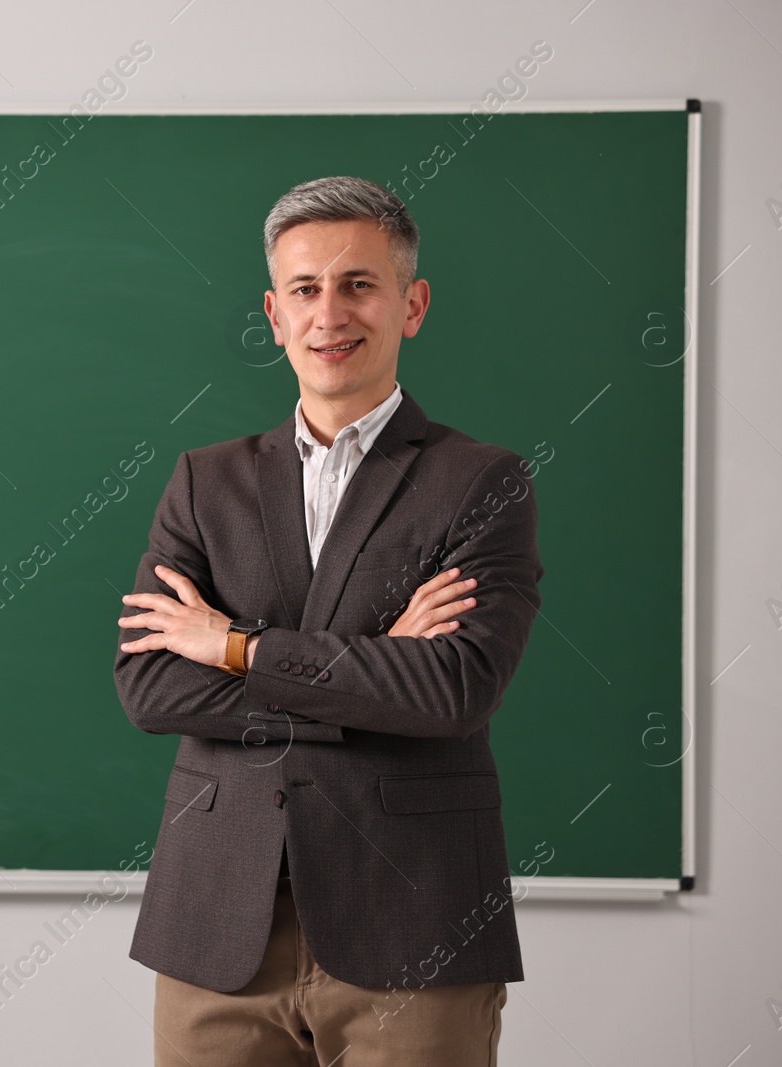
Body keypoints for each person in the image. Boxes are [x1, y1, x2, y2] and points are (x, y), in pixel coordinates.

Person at [114, 176, 544, 1066]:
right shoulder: (205, 481)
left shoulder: (483, 481)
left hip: (414, 919)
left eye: (360, 284)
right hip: (216, 926)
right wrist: (377, 668)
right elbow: (152, 684)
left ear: (411, 304)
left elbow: (453, 690)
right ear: (274, 313)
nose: (330, 313)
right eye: (305, 289)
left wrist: (237, 647)